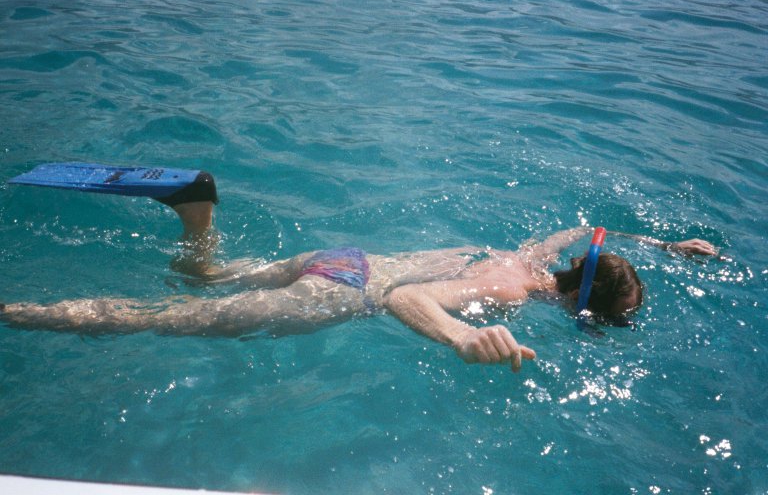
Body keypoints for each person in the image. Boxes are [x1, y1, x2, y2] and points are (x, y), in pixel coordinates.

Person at [0, 172, 717, 372]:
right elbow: (409, 299)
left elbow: (581, 229)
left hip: (344, 258)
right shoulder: (510, 287)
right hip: (343, 291)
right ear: (581, 308)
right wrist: (459, 337)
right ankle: (12, 312)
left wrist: (662, 244)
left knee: (205, 279)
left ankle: (196, 218)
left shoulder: (532, 256)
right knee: (157, 321)